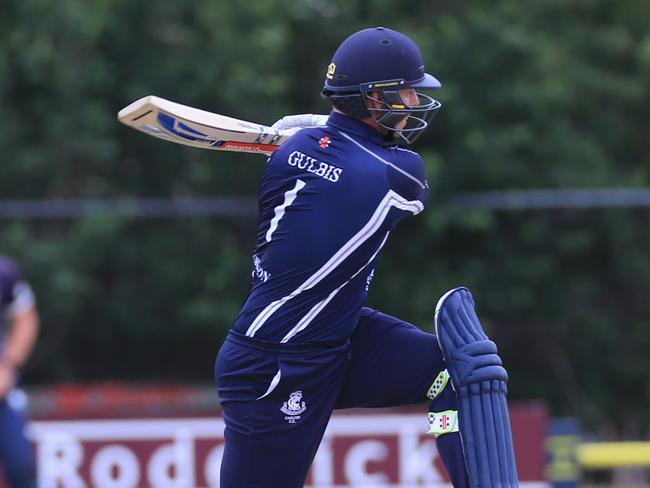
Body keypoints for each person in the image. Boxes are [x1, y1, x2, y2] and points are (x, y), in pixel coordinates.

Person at [215, 27, 517, 488]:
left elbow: (336, 152)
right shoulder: (400, 175)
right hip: (273, 365)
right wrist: (326, 131)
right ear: (375, 99)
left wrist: (322, 131)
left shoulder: (289, 152)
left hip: (338, 334)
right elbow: (381, 174)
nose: (415, 103)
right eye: (407, 92)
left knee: (456, 370)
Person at [0, 257, 39, 488]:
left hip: (3, 397)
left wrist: (7, 366)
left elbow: (26, 318)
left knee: (21, 468)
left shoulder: (4, 273)